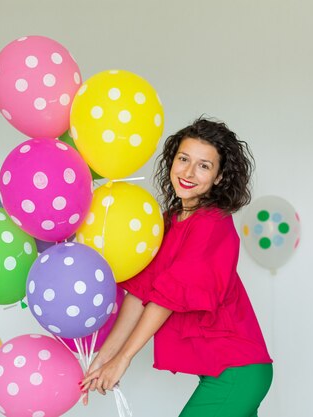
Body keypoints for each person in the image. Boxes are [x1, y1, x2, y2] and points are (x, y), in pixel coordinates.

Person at [81, 117, 273, 416]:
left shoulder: (212, 224)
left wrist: (124, 359)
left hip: (237, 372)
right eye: (183, 159)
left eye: (204, 165)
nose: (188, 172)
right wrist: (104, 358)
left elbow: (166, 298)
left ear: (220, 177)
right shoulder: (168, 224)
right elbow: (138, 295)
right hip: (223, 372)